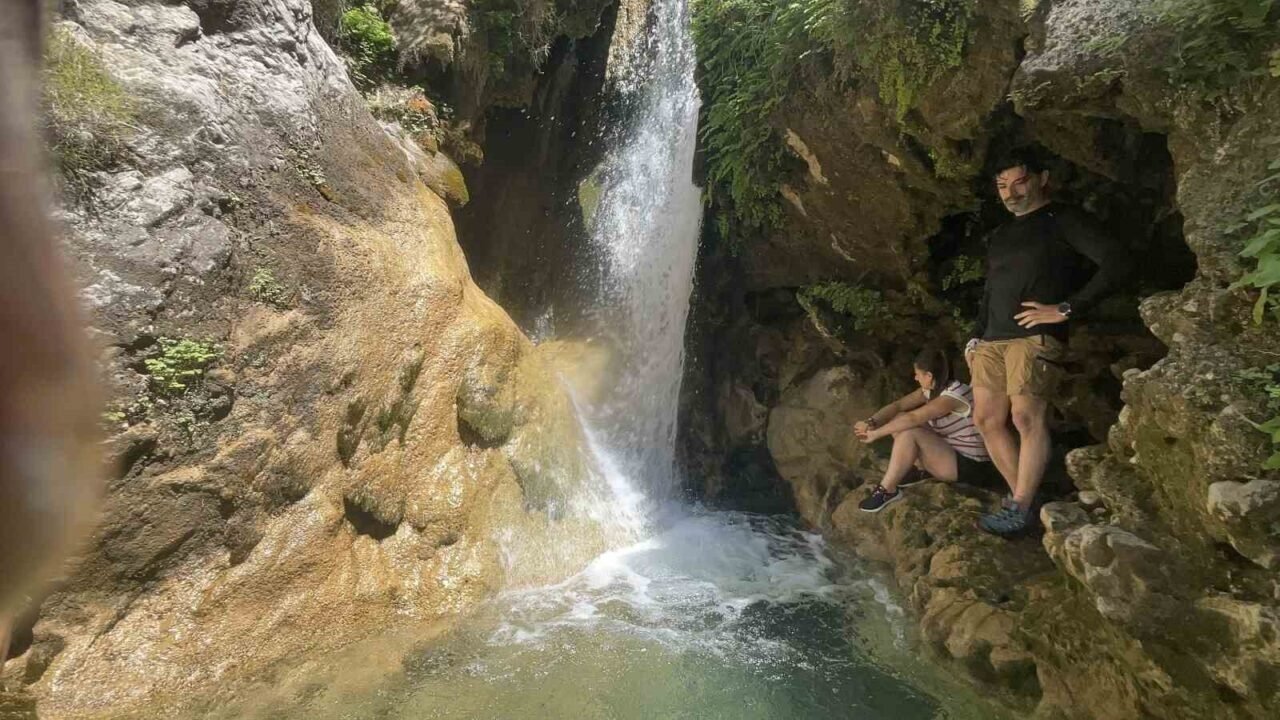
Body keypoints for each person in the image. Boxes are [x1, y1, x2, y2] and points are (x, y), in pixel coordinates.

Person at [965, 148, 1128, 537]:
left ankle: (1020, 506)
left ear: (1042, 178)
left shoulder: (1063, 219)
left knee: (1025, 417)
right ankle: (1023, 500)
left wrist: (1067, 309)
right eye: (1002, 186)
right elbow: (992, 289)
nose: (1011, 193)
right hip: (992, 339)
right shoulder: (1001, 235)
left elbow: (1117, 261)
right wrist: (975, 333)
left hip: (1034, 336)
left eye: (1020, 182)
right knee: (986, 420)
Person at [855, 348, 998, 512]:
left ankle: (887, 491)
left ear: (929, 376)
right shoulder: (932, 391)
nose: (915, 378)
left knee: (910, 432)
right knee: (899, 417)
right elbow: (898, 406)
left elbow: (914, 418)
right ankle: (921, 471)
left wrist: (876, 434)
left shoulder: (953, 396)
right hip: (951, 453)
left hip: (971, 466)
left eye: (918, 374)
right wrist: (871, 422)